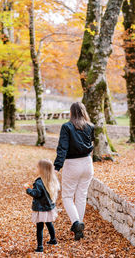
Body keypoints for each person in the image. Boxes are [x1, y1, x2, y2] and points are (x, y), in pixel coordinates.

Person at [54, 102, 94, 241]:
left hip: (72, 164)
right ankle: (79, 227)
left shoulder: (67, 127)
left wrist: (57, 166)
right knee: (81, 195)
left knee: (67, 196)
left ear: (71, 112)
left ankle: (76, 223)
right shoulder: (90, 126)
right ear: (83, 111)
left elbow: (62, 148)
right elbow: (92, 144)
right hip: (87, 163)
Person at [26, 159, 60, 253]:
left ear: (42, 169)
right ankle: (53, 240)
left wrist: (28, 189)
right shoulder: (51, 180)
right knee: (49, 223)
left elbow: (36, 194)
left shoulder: (39, 182)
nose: (36, 169)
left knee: (39, 227)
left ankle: (40, 247)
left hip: (40, 208)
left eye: (37, 167)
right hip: (48, 207)